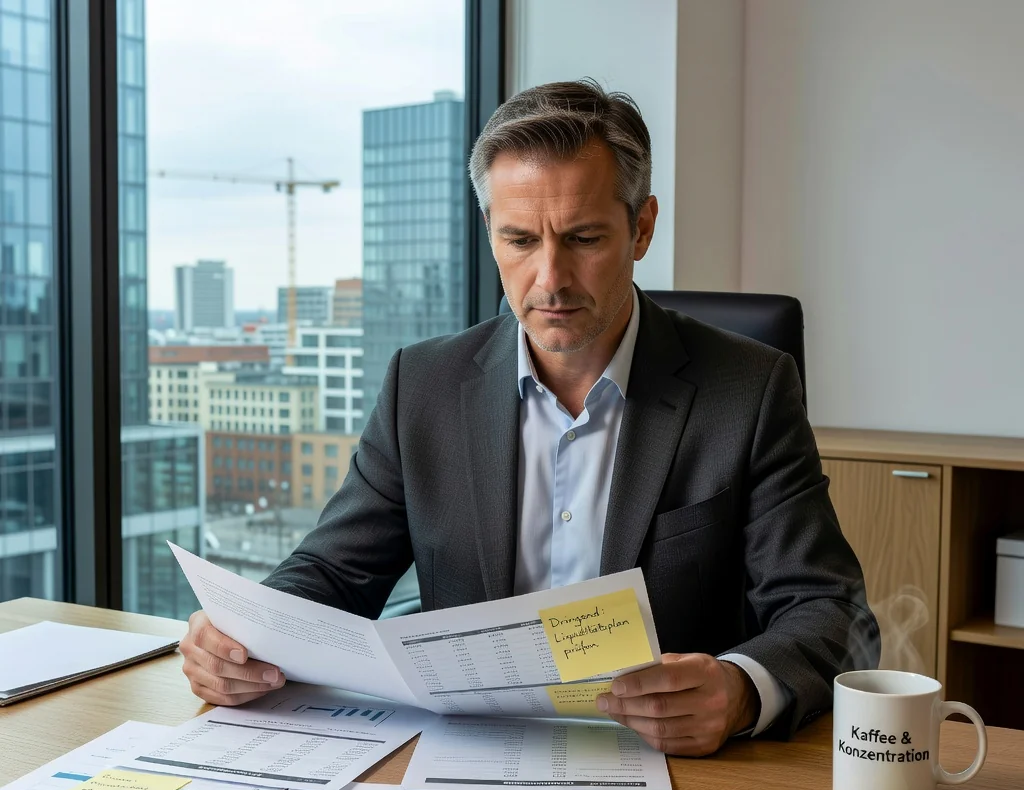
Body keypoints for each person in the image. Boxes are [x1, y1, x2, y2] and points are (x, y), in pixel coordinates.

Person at [180, 79, 879, 755]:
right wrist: (242, 639)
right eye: (519, 241)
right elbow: (331, 574)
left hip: (671, 766)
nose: (550, 280)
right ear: (490, 233)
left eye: (583, 239)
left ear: (641, 228)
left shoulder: (749, 390)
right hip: (467, 757)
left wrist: (741, 691)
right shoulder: (422, 386)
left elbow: (829, 611)